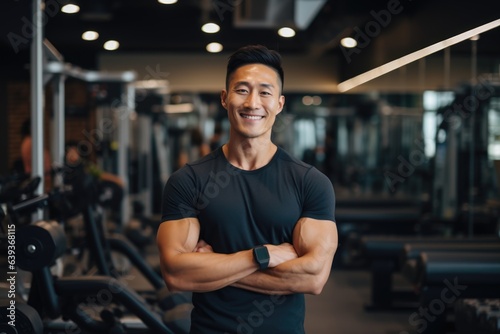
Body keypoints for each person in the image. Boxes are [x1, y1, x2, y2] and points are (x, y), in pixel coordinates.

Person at [156, 45, 338, 334]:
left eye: (265, 92)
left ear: (279, 104)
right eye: (242, 90)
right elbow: (177, 274)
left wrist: (213, 265)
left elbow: (312, 279)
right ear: (225, 98)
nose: (253, 103)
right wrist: (261, 255)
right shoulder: (188, 180)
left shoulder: (310, 182)